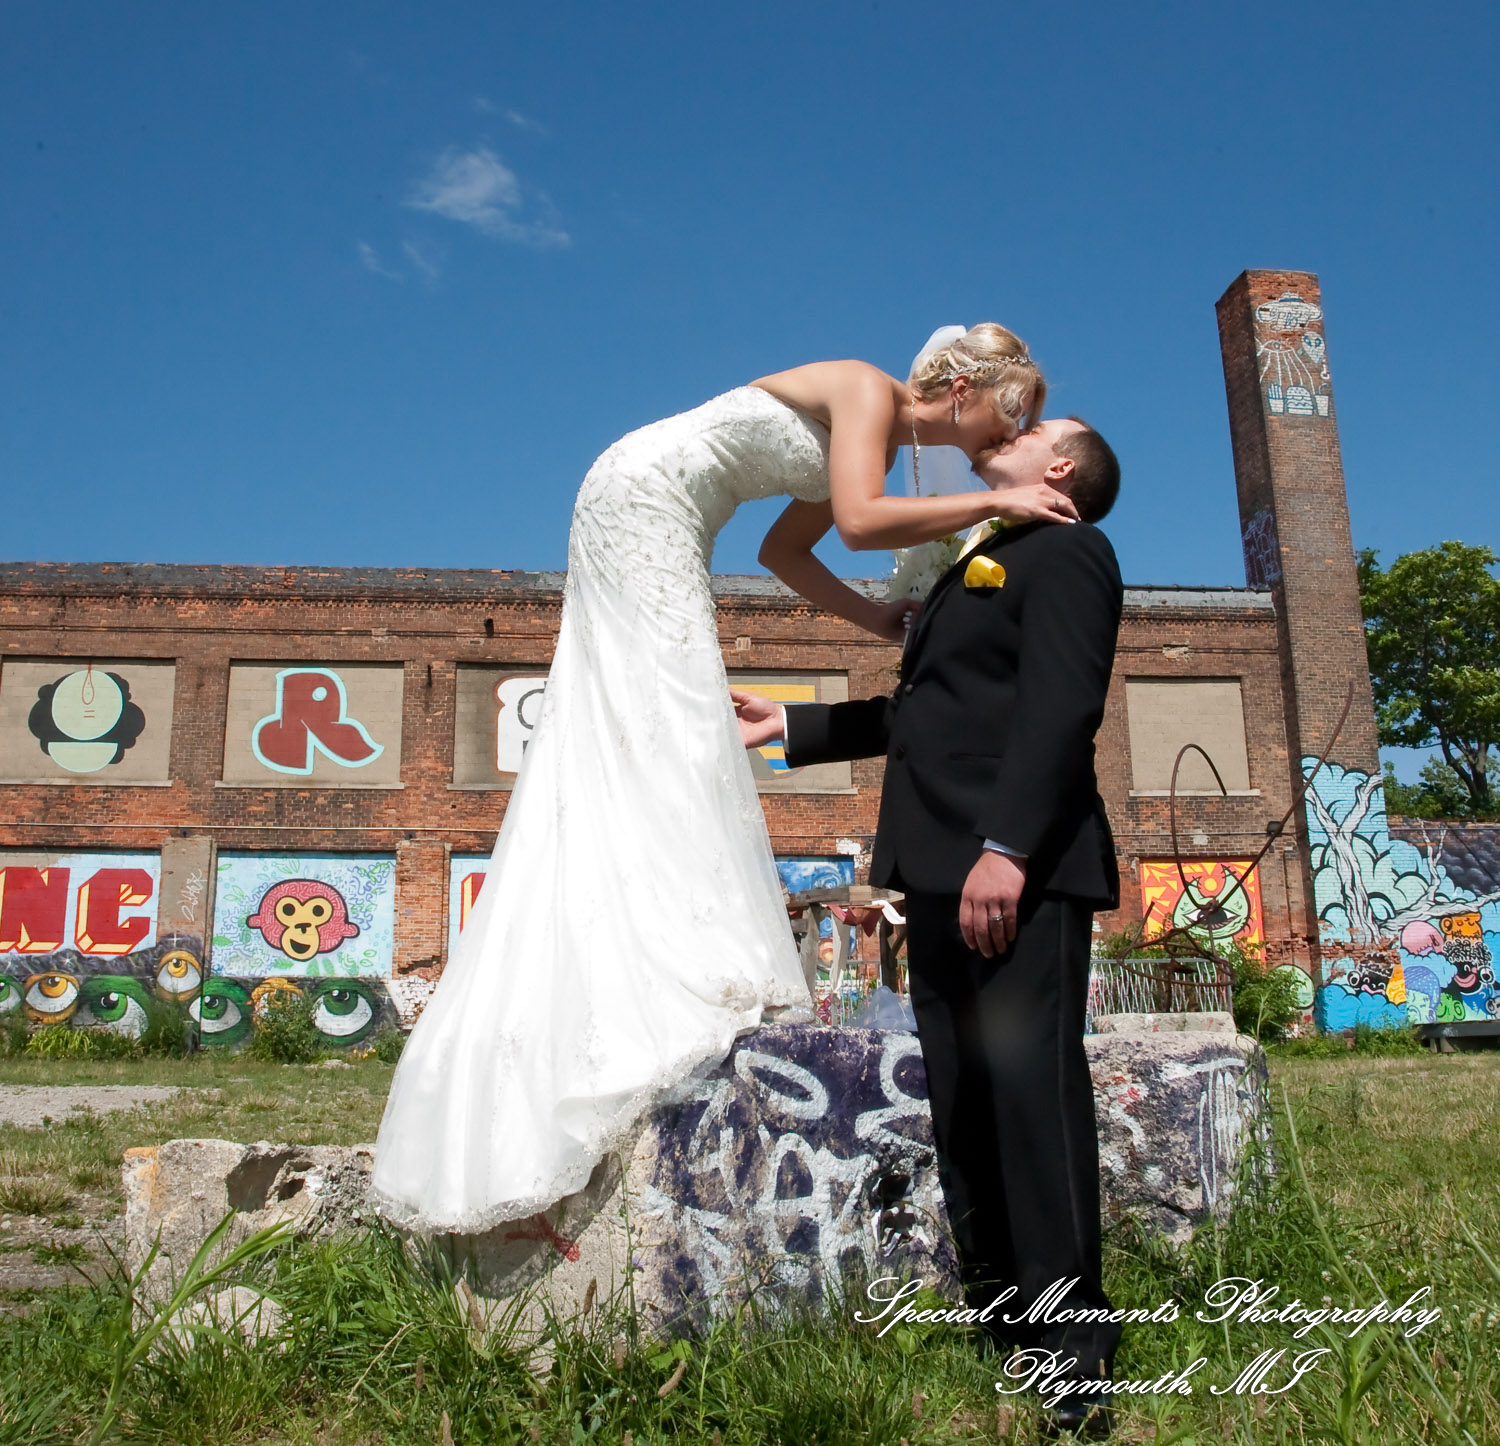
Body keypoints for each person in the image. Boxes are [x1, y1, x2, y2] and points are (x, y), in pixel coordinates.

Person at [369, 326, 1079, 1237]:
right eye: (1007, 410)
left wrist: (878, 621)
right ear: (959, 391)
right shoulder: (864, 390)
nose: (1003, 434)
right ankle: (676, 961)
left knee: (668, 715)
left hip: (670, 515)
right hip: (642, 497)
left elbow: (788, 555)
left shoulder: (875, 442)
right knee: (668, 703)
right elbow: (862, 522)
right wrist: (1011, 500)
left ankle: (653, 938)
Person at [733, 416, 1125, 1440]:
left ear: (1060, 469)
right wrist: (794, 725)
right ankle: (1005, 1323)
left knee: (1031, 1102)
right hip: (936, 869)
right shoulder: (972, 567)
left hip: (1014, 872)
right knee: (964, 1103)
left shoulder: (1071, 552)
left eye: (1042, 425)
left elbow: (1060, 708)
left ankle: (1074, 1362)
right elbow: (935, 710)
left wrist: (1011, 848)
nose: (1017, 422)